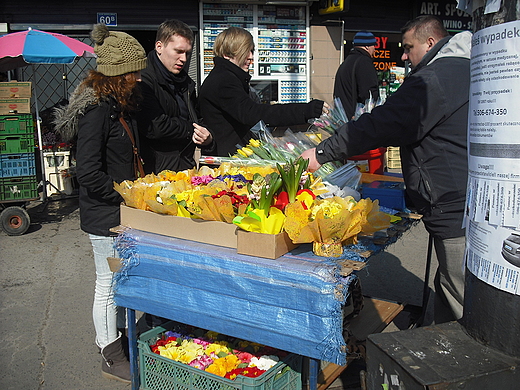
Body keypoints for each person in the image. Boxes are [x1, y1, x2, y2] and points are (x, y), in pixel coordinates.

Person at [302, 15, 471, 324]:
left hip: (453, 203)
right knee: (450, 284)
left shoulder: (433, 79)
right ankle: (437, 339)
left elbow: (382, 122)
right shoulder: (468, 68)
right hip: (465, 199)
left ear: (430, 42)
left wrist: (323, 151)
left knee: (461, 294)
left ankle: (461, 364)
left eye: (408, 48)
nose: (403, 56)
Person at [53, 24, 148, 383]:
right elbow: (89, 172)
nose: (138, 78)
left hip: (117, 210)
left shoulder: (114, 105)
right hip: (104, 214)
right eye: (134, 72)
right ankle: (109, 353)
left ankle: (115, 339)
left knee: (118, 281)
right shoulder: (96, 113)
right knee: (107, 285)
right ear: (117, 74)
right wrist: (126, 194)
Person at [198, 27, 327, 157]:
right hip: (225, 165)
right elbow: (253, 113)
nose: (251, 57)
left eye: (252, 51)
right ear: (227, 54)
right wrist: (306, 110)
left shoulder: (226, 77)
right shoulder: (224, 80)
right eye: (245, 52)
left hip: (231, 159)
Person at [137, 19, 214, 174]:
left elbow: (197, 119)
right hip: (156, 172)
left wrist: (207, 137)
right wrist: (191, 129)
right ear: (159, 47)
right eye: (178, 51)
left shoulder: (186, 83)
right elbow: (155, 126)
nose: (184, 59)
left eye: (187, 53)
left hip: (186, 167)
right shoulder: (143, 80)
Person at [333, 30, 380, 119]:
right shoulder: (364, 62)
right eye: (374, 45)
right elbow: (368, 94)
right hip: (356, 121)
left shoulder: (347, 62)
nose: (374, 49)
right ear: (367, 46)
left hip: (343, 119)